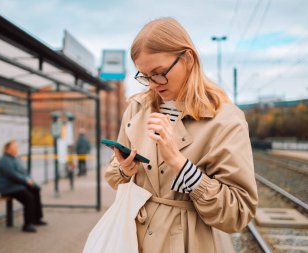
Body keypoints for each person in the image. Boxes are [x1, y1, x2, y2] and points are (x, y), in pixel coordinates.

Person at [104, 18, 258, 253]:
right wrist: (124, 169)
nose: (153, 84)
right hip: (129, 239)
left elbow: (238, 213)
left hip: (185, 243)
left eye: (159, 73)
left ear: (187, 58)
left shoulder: (226, 119)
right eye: (145, 76)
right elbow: (114, 178)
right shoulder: (136, 108)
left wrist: (179, 163)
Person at [0, 140, 47, 233]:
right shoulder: (4, 160)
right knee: (29, 197)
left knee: (35, 190)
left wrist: (33, 183)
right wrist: (26, 181)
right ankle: (27, 224)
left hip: (17, 185)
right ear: (8, 148)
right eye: (15, 147)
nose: (17, 148)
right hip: (8, 188)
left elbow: (24, 172)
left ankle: (36, 219)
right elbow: (12, 175)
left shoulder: (15, 158)